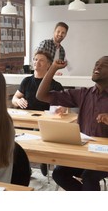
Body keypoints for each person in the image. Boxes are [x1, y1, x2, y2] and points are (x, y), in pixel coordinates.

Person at [36, 56, 108, 191]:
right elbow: (41, 96)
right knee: (58, 173)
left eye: (104, 65)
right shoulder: (84, 94)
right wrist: (53, 68)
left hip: (105, 157)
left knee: (89, 177)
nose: (97, 67)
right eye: (96, 64)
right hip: (84, 154)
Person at [12, 50, 66, 177]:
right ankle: (24, 166)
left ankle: (44, 160)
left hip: (46, 121)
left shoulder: (55, 85)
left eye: (41, 60)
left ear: (49, 65)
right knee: (16, 141)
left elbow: (64, 105)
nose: (37, 62)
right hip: (27, 119)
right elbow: (14, 99)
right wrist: (18, 101)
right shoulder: (26, 81)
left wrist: (61, 109)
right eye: (35, 59)